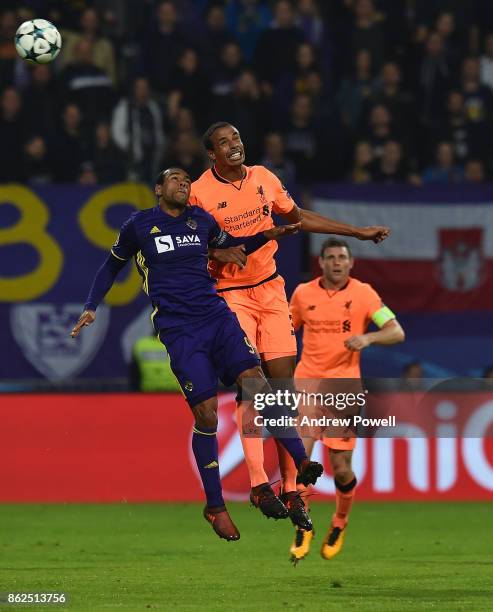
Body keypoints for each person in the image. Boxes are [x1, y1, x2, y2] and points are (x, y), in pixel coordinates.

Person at [70, 167, 323, 542]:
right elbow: (112, 265)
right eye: (174, 179)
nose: (183, 184)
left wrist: (267, 234)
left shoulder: (200, 220)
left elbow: (234, 245)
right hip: (179, 330)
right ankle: (215, 506)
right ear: (158, 189)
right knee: (206, 415)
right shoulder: (139, 225)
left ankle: (301, 462)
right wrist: (92, 305)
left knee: (258, 384)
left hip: (216, 316)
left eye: (187, 180)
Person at [190, 122, 390, 530]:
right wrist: (216, 253)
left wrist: (356, 232)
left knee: (282, 385)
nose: (234, 146)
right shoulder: (199, 193)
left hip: (271, 290)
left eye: (238, 139)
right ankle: (259, 482)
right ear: (212, 154)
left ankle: (291, 488)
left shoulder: (264, 178)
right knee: (252, 381)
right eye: (224, 143)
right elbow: (191, 243)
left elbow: (297, 219)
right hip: (230, 294)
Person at [288, 238, 405, 563]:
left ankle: (339, 521)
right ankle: (303, 525)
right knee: (301, 460)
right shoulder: (302, 294)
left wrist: (368, 337)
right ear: (321, 262)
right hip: (307, 384)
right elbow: (284, 331)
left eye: (342, 257)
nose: (337, 262)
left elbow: (397, 332)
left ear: (350, 263)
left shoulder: (364, 294)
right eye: (331, 257)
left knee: (341, 470)